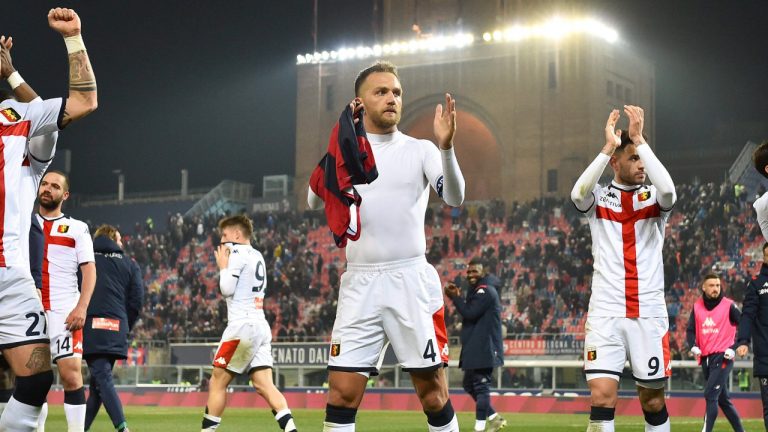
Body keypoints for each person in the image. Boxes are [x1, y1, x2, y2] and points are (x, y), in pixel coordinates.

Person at [308, 61, 465, 432]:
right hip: (359, 283)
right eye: (381, 92)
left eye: (396, 92)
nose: (392, 98)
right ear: (359, 103)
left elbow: (455, 197)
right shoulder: (346, 155)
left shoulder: (421, 150)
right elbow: (313, 200)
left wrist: (447, 148)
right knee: (341, 395)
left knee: (433, 395)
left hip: (408, 279)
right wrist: (337, 156)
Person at [0, 7, 98, 431]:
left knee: (38, 376)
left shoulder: (15, 120)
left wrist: (73, 38)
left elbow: (83, 101)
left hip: (10, 278)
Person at [570, 106, 676, 432]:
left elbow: (670, 190)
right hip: (605, 311)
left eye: (642, 158)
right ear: (615, 163)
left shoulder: (654, 199)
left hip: (648, 312)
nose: (641, 164)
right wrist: (606, 148)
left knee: (653, 401)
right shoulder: (599, 199)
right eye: (633, 159)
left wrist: (640, 140)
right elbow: (578, 194)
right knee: (602, 398)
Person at [201, 215, 297, 432]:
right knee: (264, 385)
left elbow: (226, 288)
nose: (222, 241)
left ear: (237, 234)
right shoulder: (258, 255)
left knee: (217, 382)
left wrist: (222, 267)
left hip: (241, 326)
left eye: (225, 235)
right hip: (260, 325)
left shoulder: (236, 252)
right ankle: (292, 430)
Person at [34, 171, 96, 432]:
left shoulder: (77, 227)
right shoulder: (22, 224)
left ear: (65, 195)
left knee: (71, 377)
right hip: (30, 311)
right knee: (32, 380)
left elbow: (90, 270)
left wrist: (81, 306)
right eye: (45, 184)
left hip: (64, 311)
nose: (48, 189)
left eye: (55, 186)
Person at [83, 225, 143, 432]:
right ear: (111, 238)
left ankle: (122, 428)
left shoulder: (85, 261)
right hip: (116, 326)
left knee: (101, 379)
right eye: (119, 239)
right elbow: (137, 301)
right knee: (98, 386)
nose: (122, 244)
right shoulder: (129, 264)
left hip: (92, 327)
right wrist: (124, 324)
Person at [443, 257, 505, 432]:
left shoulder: (485, 290)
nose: (470, 274)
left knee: (480, 386)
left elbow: (470, 313)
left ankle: (479, 427)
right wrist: (459, 297)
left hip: (484, 347)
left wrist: (455, 298)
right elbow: (472, 312)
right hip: (475, 346)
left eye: (474, 271)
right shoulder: (477, 290)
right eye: (468, 271)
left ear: (483, 271)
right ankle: (494, 417)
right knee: (469, 384)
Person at [685, 273, 744, 432]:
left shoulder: (729, 305)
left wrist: (734, 348)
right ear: (703, 287)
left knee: (710, 394)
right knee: (723, 401)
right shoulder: (697, 306)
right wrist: (692, 345)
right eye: (711, 286)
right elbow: (690, 330)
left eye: (717, 285)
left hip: (723, 357)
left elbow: (745, 326)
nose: (715, 289)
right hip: (706, 358)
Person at [736, 242, 768, 430]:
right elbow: (747, 314)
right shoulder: (757, 284)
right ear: (763, 258)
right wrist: (743, 340)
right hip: (766, 356)